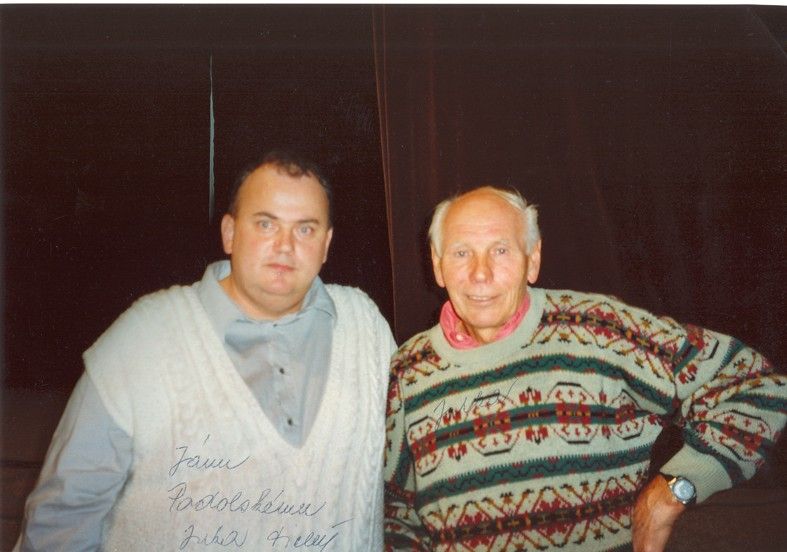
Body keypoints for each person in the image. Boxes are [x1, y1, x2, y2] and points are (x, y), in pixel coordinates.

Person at [15, 150, 397, 551]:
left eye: (305, 229)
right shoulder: (144, 338)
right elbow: (63, 519)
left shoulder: (366, 328)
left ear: (326, 244)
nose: (285, 245)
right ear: (229, 233)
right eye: (266, 224)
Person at [383, 186, 786, 551]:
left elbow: (753, 382)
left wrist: (671, 492)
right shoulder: (407, 371)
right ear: (437, 266)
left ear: (533, 259)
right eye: (461, 253)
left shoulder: (600, 331)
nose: (480, 273)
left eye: (501, 250)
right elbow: (392, 511)